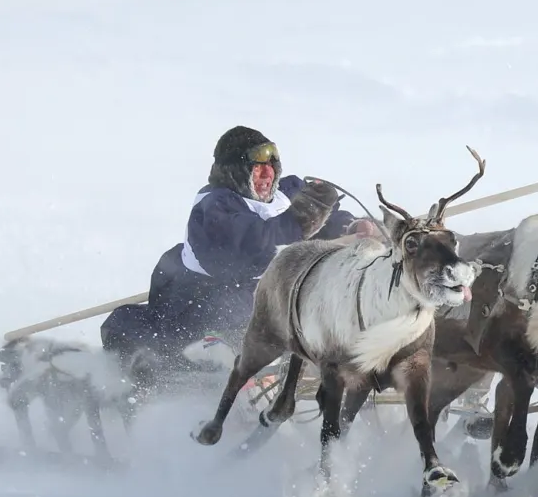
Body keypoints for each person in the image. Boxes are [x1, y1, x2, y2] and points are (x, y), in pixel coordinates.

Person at [100, 125, 376, 367]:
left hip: (265, 298)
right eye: (257, 167)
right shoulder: (214, 206)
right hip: (203, 302)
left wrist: (349, 227)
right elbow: (254, 243)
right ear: (236, 171)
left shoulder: (282, 195)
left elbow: (321, 223)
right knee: (230, 318)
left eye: (272, 165)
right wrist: (302, 220)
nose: (267, 173)